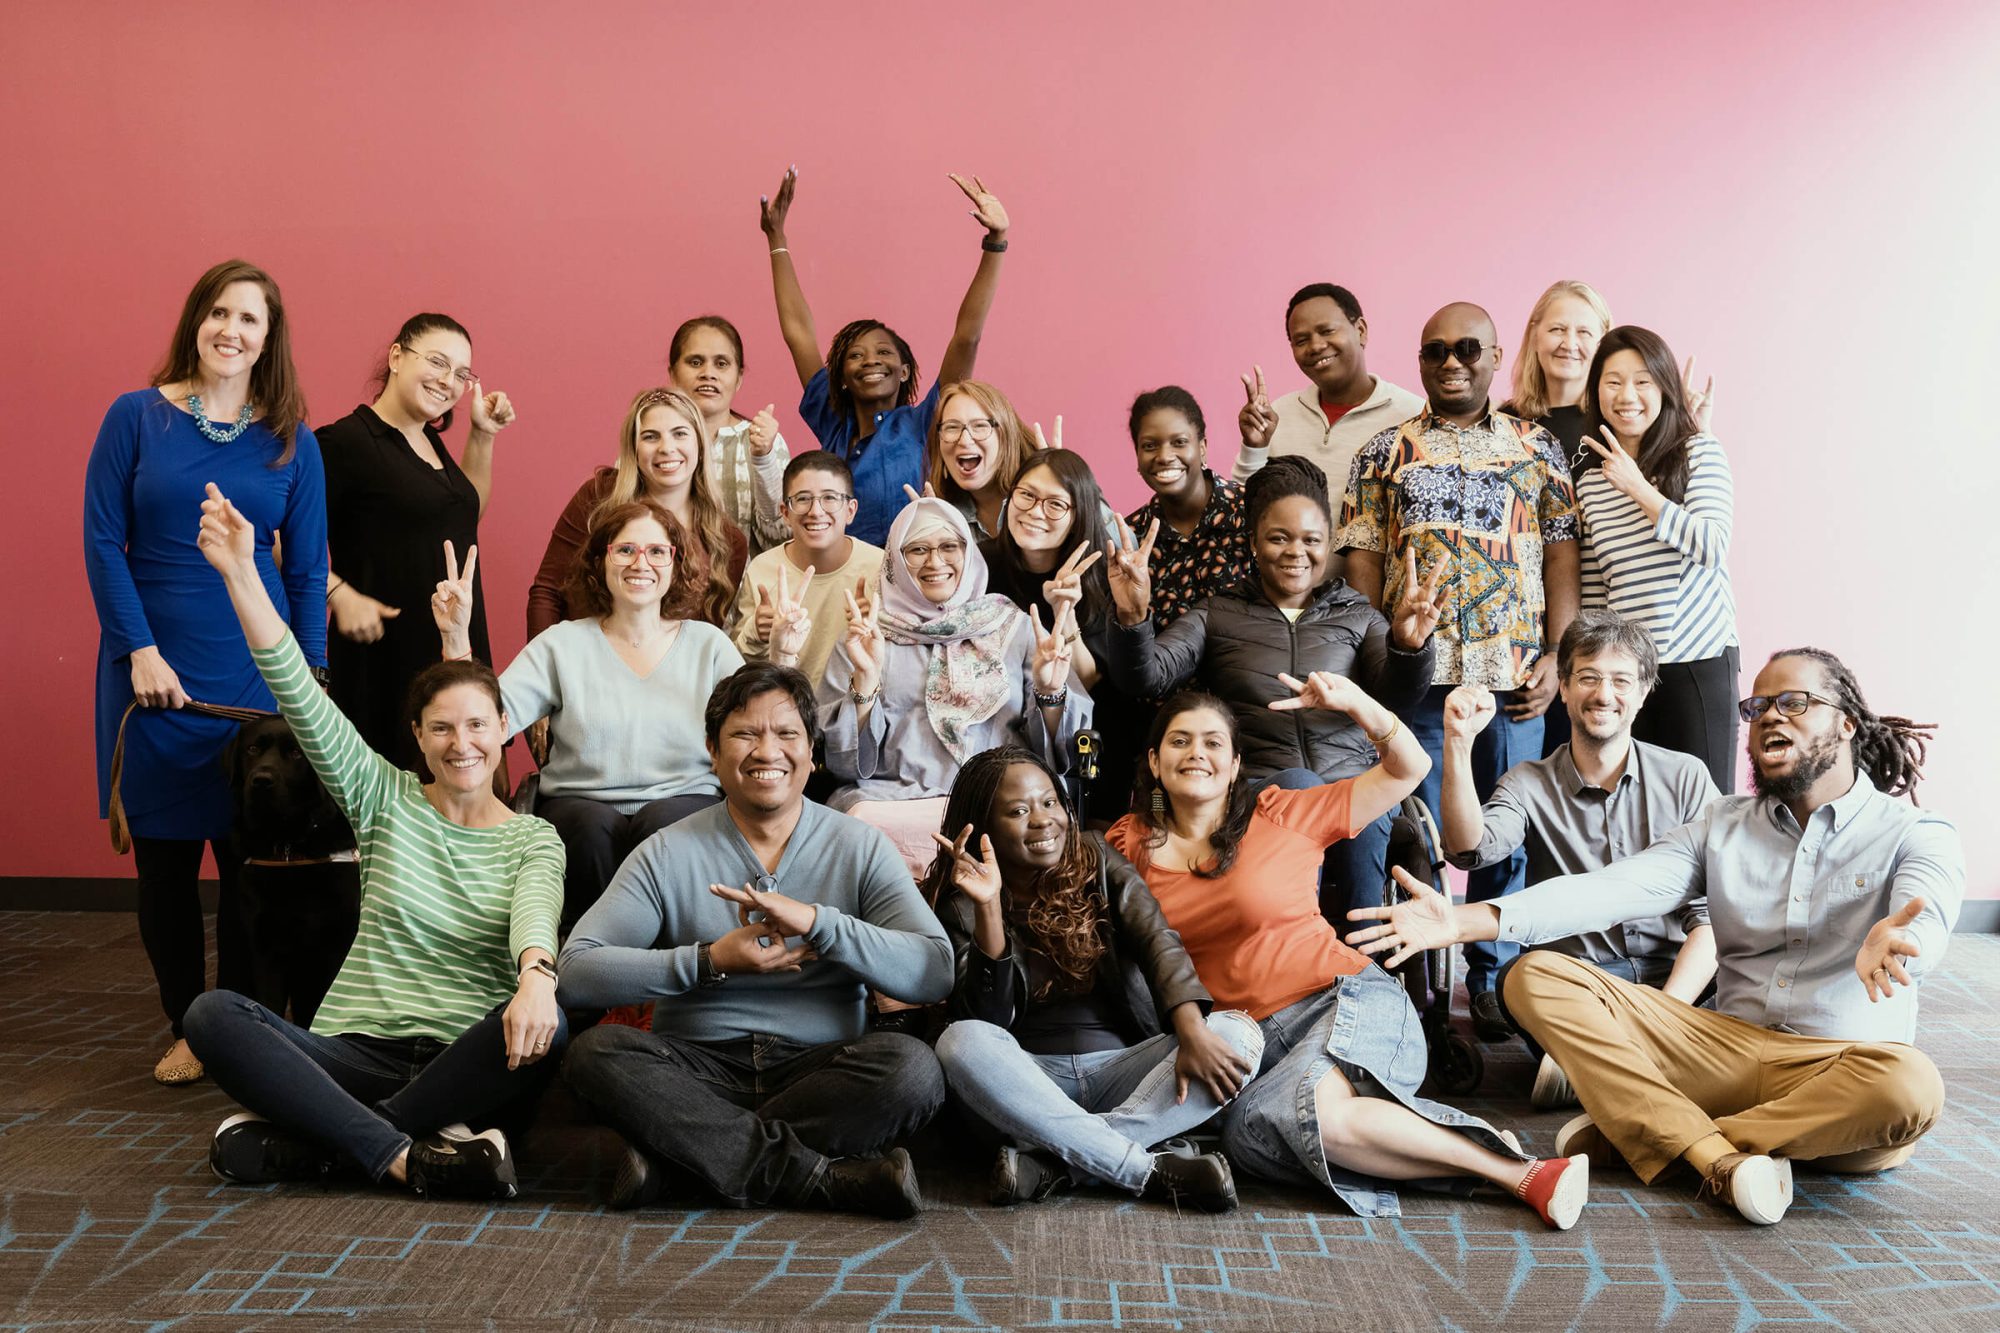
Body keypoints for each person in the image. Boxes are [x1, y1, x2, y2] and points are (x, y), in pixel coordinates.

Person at [1354, 648, 1956, 1226]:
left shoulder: (1916, 833)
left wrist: (1905, 942)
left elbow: (1926, 909)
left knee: (1911, 1087)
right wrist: (1460, 920)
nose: (1770, 714)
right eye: (1758, 707)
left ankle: (1654, 1132)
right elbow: (1609, 889)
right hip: (1723, 1049)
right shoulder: (1722, 825)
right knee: (1536, 975)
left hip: (1841, 1072)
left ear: (1847, 723)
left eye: (1796, 702)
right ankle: (1710, 1153)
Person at [185, 483, 564, 1200]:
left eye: (479, 726)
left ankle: (328, 1141)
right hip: (354, 1049)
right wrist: (240, 572)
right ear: (417, 737)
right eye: (442, 728)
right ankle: (408, 1152)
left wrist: (539, 975)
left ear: (502, 730)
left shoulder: (534, 837)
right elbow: (295, 688)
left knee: (554, 1028)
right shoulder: (382, 795)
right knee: (213, 1014)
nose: (463, 743)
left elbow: (536, 919)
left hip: (466, 1053)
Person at [1109, 690, 1587, 1228]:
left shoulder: (1282, 812)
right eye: (1180, 741)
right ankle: (1437, 1134)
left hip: (1342, 999)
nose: (1197, 752)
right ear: (1154, 760)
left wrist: (1360, 704)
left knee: (1320, 1119)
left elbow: (1409, 769)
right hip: (1251, 1048)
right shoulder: (1128, 844)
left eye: (1213, 742)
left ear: (1236, 763)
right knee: (1247, 1140)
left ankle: (1522, 1173)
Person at [558, 662, 954, 1218]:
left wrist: (820, 923)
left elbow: (934, 969)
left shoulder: (859, 846)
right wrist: (707, 961)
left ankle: (683, 1163)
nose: (767, 750)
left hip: (820, 1071)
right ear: (713, 753)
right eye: (745, 734)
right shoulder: (667, 851)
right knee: (595, 1053)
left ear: (812, 753)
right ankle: (826, 1181)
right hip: (695, 1073)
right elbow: (575, 971)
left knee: (912, 1069)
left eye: (787, 734)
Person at [84, 259, 326, 1086]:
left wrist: (311, 677)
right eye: (218, 313)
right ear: (196, 320)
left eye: (249, 319)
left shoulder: (291, 436)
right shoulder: (136, 417)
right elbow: (101, 540)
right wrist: (138, 648)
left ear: (269, 337)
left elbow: (305, 571)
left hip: (258, 683)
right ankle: (189, 1021)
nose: (231, 330)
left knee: (252, 871)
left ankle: (242, 1023)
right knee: (165, 870)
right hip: (155, 674)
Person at [1339, 301, 1580, 1039]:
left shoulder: (1538, 448)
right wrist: (1381, 666)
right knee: (1412, 833)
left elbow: (1563, 557)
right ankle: (1410, 984)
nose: (1452, 362)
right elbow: (1360, 570)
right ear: (1419, 360)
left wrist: (1556, 659)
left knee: (1505, 831)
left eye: (1468, 349)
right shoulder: (1384, 451)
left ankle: (1493, 976)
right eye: (1436, 350)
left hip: (1512, 683)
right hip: (1416, 679)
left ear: (1496, 354)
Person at [1105, 456, 1440, 923]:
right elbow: (1146, 676)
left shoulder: (1357, 614)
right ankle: (1296, 945)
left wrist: (1407, 644)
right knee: (1302, 786)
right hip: (1261, 792)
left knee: (1355, 798)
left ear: (1328, 545)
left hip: (1353, 786)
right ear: (1255, 543)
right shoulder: (1218, 613)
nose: (1294, 552)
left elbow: (1396, 700)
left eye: (1311, 540)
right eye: (1278, 538)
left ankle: (1365, 963)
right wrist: (1132, 616)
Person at [927, 747, 1265, 1210]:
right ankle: (1144, 1170)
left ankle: (1056, 1164)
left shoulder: (1097, 858)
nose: (1043, 820)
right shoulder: (960, 904)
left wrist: (1191, 1032)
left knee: (1238, 1033)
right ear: (983, 826)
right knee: (960, 1041)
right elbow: (989, 1019)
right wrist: (988, 907)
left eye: (1049, 802)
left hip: (1122, 1071)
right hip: (1025, 1085)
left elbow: (1157, 940)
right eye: (1019, 811)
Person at [1439, 610, 1720, 1107]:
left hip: (1677, 977)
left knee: (1749, 977)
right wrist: (1459, 746)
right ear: (1563, 688)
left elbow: (1712, 917)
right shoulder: (1526, 782)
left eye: (1620, 681)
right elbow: (1469, 850)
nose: (1604, 695)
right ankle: (1654, 1069)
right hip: (1583, 983)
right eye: (1588, 677)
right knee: (1518, 980)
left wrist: (1667, 1014)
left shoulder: (1686, 776)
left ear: (1644, 690)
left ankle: (1604, 1070)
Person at [437, 502, 744, 929]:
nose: (642, 563)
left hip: (685, 800)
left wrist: (783, 653)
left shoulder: (708, 645)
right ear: (601, 561)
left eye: (657, 551)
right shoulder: (563, 644)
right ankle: (597, 967)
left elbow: (759, 722)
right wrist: (456, 639)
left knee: (667, 822)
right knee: (590, 827)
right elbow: (485, 717)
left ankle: (669, 976)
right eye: (626, 550)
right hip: (581, 808)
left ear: (676, 563)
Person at [819, 496, 1091, 875]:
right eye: (917, 549)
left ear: (969, 552)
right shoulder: (867, 636)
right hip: (895, 799)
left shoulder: (1012, 627)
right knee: (857, 826)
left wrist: (1049, 693)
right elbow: (845, 765)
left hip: (1000, 799)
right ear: (895, 559)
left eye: (949, 546)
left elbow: (1066, 757)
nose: (935, 562)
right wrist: (864, 686)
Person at [759, 165, 1011, 545]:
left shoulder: (925, 422)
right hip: (847, 578)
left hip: (916, 579)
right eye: (856, 356)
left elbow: (967, 337)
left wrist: (996, 241)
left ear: (905, 370)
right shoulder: (833, 425)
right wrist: (776, 238)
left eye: (882, 352)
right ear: (840, 377)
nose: (871, 360)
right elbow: (798, 333)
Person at [320, 313, 517, 771]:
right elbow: (276, 539)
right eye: (437, 362)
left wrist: (483, 435)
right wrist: (339, 594)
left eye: (461, 373)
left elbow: (462, 518)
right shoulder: (344, 442)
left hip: (456, 647)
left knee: (459, 815)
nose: (449, 381)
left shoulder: (428, 440)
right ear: (395, 357)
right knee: (395, 813)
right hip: (388, 662)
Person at [1577, 326, 1740, 792]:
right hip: (1629, 675)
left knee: (1707, 811)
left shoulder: (1699, 452)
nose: (1627, 395)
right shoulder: (1589, 484)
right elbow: (1595, 588)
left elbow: (1711, 545)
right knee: (1635, 809)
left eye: (1643, 381)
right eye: (1613, 382)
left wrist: (1639, 489)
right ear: (1596, 392)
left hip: (1697, 661)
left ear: (1664, 388)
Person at [980, 448, 1137, 821]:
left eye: (1055, 505)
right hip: (1000, 725)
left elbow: (1092, 683)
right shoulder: (981, 566)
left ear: (1077, 514)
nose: (1035, 512)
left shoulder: (1100, 575)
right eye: (1026, 495)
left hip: (1089, 736)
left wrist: (1063, 616)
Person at [528, 387, 745, 640]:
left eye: (680, 434)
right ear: (634, 448)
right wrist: (543, 667)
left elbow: (704, 637)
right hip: (582, 668)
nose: (666, 448)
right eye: (651, 436)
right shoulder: (598, 497)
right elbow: (547, 591)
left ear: (700, 444)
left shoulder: (727, 540)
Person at [1230, 283, 1426, 509]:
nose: (1316, 346)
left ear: (1360, 330)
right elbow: (1240, 508)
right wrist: (1253, 448)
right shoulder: (1277, 415)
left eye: (1327, 331)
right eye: (1301, 340)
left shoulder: (1412, 416)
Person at [732, 451, 885, 689]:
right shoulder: (763, 569)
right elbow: (739, 667)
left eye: (830, 498)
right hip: (782, 709)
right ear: (785, 512)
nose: (815, 511)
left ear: (851, 510)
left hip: (856, 708)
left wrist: (880, 625)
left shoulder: (879, 566)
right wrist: (758, 633)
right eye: (803, 499)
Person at [1122, 387, 1252, 631]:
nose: (1165, 456)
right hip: (1164, 668)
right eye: (1150, 446)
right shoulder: (1131, 537)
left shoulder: (1250, 512)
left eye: (1179, 442)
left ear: (1202, 447)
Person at [668, 315, 791, 554]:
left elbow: (781, 540)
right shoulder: (650, 440)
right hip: (661, 589)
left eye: (721, 364)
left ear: (739, 378)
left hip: (745, 590)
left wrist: (763, 459)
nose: (708, 373)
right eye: (695, 362)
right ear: (672, 374)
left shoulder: (763, 440)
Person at [1501, 280, 1613, 472]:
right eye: (1557, 329)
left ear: (1601, 344)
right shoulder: (1503, 423)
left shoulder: (1616, 421)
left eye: (1584, 332)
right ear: (1534, 336)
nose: (1569, 344)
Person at [928, 380, 1034, 540]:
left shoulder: (1046, 500)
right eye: (952, 427)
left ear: (1006, 435)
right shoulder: (941, 515)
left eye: (980, 426)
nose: (964, 440)